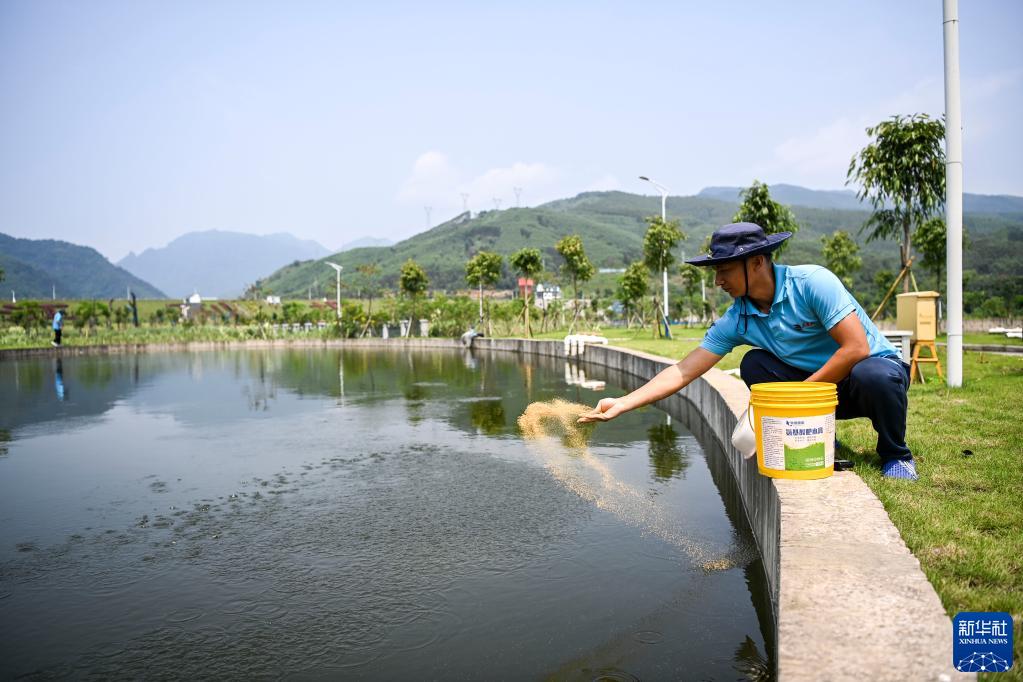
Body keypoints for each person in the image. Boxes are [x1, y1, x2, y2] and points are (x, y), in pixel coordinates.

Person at [579, 222, 918, 480]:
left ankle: (896, 455)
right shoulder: (738, 317)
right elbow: (683, 370)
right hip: (822, 392)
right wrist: (622, 403)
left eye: (724, 270)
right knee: (754, 363)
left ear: (756, 263)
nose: (718, 281)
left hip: (868, 378)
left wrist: (798, 398)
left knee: (874, 373)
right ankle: (819, 434)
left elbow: (856, 348)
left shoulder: (812, 283)